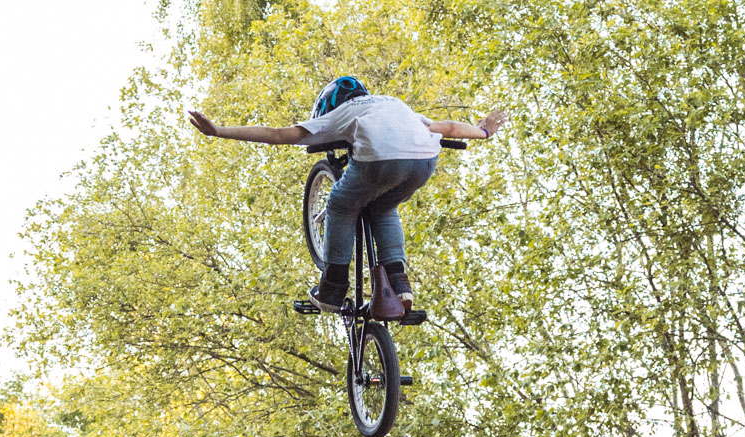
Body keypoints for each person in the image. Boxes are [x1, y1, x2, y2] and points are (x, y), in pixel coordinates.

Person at [188, 83, 507, 307]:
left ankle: (333, 286)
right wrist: (484, 131)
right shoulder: (392, 103)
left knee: (340, 206)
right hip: (424, 161)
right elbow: (447, 128)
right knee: (384, 207)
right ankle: (399, 283)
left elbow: (278, 135)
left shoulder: (339, 113)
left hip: (381, 160)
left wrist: (219, 131)